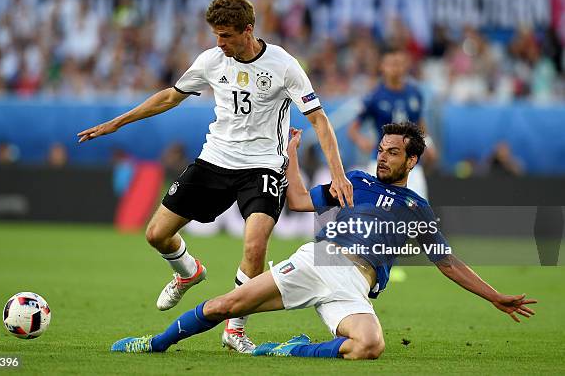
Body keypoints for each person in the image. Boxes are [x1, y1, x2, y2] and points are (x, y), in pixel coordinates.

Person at [110, 122, 537, 359]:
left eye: (393, 152)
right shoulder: (353, 181)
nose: (383, 156)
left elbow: (449, 263)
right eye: (382, 149)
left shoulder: (416, 210)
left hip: (355, 287)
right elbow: (296, 201)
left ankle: (286, 350)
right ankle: (153, 343)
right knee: (226, 306)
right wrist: (292, 154)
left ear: (412, 160)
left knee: (370, 345)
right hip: (320, 259)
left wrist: (493, 296)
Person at [77, 0, 353, 353]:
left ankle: (235, 329)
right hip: (215, 161)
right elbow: (169, 97)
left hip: (262, 167)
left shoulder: (283, 65)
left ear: (248, 30)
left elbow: (319, 119)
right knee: (156, 234)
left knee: (255, 248)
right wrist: (117, 123)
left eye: (225, 35)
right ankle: (188, 271)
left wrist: (338, 173)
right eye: (216, 35)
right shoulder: (210, 60)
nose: (219, 43)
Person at [348, 47, 437, 199]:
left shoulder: (415, 93)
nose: (396, 68)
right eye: (391, 64)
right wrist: (361, 140)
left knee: (417, 211)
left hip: (411, 165)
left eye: (399, 63)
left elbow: (419, 122)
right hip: (382, 164)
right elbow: (353, 129)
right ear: (382, 66)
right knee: (376, 211)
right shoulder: (374, 96)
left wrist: (429, 143)